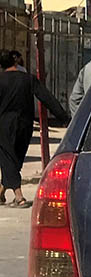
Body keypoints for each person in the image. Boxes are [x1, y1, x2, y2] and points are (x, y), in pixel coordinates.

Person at [0, 49, 70, 207]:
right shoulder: (28, 79)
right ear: (15, 61)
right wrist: (63, 118)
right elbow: (47, 98)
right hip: (25, 124)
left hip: (4, 125)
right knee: (15, 158)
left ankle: (19, 197)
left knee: (8, 158)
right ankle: (2, 191)